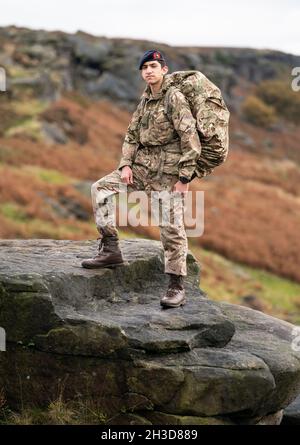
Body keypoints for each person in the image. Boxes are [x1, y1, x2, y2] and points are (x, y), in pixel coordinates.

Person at [81, 49, 201, 308]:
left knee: (171, 228)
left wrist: (184, 177)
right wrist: (125, 164)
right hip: (140, 170)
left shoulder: (174, 98)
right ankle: (110, 249)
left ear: (164, 70)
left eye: (153, 66)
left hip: (167, 175)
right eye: (144, 67)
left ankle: (176, 286)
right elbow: (131, 136)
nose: (148, 71)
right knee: (100, 189)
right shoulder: (145, 100)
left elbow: (190, 139)